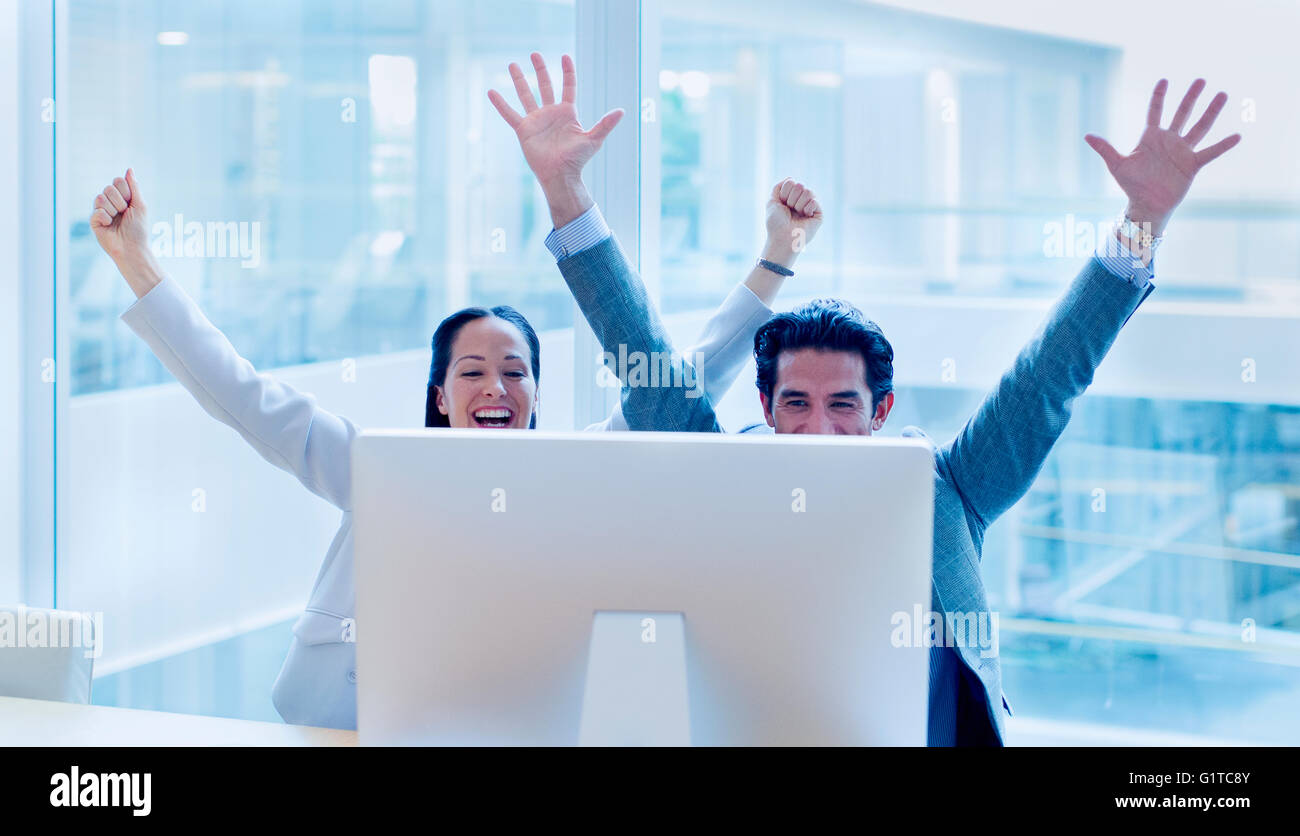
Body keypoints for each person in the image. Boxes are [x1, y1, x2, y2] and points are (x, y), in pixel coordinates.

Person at [494, 61, 1241, 744]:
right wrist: (566, 189)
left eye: (843, 405)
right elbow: (643, 352)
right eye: (795, 403)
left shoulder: (947, 489)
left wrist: (1143, 219)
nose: (818, 429)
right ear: (766, 403)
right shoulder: (720, 473)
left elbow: (1048, 377)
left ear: (881, 411)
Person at [88, 156, 819, 727]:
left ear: (537, 396)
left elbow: (680, 386)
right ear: (440, 397)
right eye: (472, 372)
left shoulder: (576, 473)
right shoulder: (381, 467)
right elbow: (245, 398)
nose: (495, 387)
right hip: (344, 729)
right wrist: (138, 265)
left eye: (514, 372)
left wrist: (776, 258)